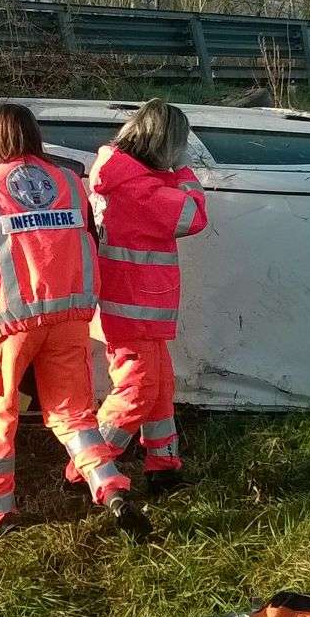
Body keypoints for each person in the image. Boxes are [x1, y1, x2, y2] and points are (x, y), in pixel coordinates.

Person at [0, 103, 150, 541]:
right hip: (69, 316)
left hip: (6, 325)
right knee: (73, 414)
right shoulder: (71, 183)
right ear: (35, 137)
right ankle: (111, 488)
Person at [63, 99, 207, 493]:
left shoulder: (122, 177)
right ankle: (88, 468)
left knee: (159, 386)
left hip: (133, 303)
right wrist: (183, 173)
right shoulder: (138, 188)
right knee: (139, 389)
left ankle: (163, 466)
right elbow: (193, 216)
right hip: (134, 305)